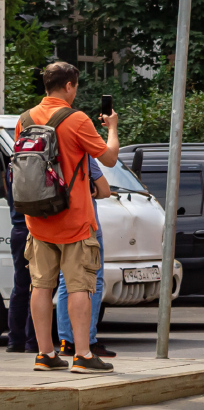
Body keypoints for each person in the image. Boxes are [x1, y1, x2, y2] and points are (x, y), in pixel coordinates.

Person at [16, 61, 119, 373]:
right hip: (74, 220)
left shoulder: (25, 119)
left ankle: (46, 354)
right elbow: (110, 158)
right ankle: (83, 355)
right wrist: (112, 127)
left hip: (37, 217)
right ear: (70, 86)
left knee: (41, 286)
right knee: (79, 287)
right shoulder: (76, 119)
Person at [55, 156, 113, 358]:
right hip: (83, 225)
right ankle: (87, 341)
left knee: (64, 282)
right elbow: (104, 190)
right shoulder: (82, 152)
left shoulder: (47, 146)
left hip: (55, 224)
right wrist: (112, 128)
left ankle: (65, 342)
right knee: (91, 282)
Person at [5, 148, 37, 353]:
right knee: (40, 287)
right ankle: (33, 341)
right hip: (36, 228)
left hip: (18, 229)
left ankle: (15, 340)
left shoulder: (13, 166)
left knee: (20, 286)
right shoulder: (41, 165)